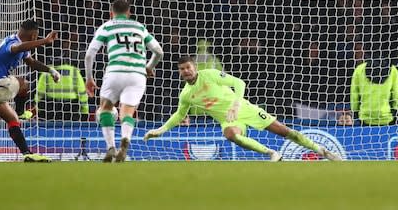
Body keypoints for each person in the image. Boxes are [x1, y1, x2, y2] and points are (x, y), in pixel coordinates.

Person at [144, 56, 342, 161]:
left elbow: (239, 83)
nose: (185, 71)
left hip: (244, 108)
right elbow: (179, 115)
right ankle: (272, 153)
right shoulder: (186, 95)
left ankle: (321, 150)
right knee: (231, 135)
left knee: (284, 131)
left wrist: (237, 103)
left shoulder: (210, 74)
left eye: (188, 67)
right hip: (229, 120)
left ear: (194, 67)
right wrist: (159, 130)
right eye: (181, 69)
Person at [85, 0, 163, 162]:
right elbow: (158, 52)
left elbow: (89, 54)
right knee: (127, 112)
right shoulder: (139, 27)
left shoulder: (107, 26)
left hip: (115, 72)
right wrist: (148, 67)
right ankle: (125, 139)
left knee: (105, 109)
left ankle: (111, 147)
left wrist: (89, 79)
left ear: (111, 13)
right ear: (129, 13)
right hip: (137, 74)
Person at [0, 20, 61, 162]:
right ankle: (21, 112)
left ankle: (27, 153)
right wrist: (44, 41)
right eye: (36, 36)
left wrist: (50, 70)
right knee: (24, 84)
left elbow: (32, 63)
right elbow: (16, 48)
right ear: (33, 35)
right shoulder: (13, 43)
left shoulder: (17, 43)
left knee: (12, 119)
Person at [339, 53, 398, 126]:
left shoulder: (359, 69)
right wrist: (395, 113)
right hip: (387, 118)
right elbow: (396, 95)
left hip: (365, 118)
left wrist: (355, 112)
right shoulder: (393, 70)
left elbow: (354, 95)